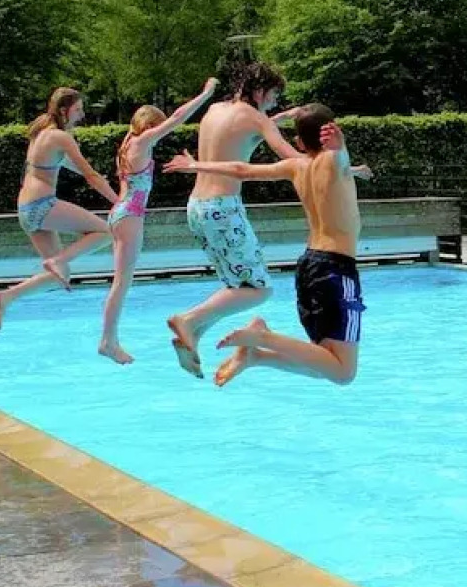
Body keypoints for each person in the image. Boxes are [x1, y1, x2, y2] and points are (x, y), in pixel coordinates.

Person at [168, 105, 366, 388]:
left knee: (323, 362)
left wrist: (194, 165)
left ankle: (257, 355)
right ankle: (261, 338)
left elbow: (240, 170)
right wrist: (341, 146)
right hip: (336, 270)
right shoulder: (335, 162)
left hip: (310, 266)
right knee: (343, 373)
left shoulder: (296, 166)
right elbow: (337, 158)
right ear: (333, 134)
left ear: (298, 143)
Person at [158, 63, 304, 376]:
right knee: (259, 289)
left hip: (197, 207)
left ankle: (193, 336)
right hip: (223, 209)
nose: (274, 104)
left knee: (234, 285)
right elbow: (289, 155)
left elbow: (241, 137)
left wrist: (280, 118)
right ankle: (189, 320)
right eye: (274, 96)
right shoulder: (254, 117)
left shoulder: (215, 111)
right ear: (260, 90)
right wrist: (333, 166)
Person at [98, 77, 220, 364]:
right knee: (121, 282)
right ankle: (107, 341)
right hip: (129, 215)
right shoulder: (141, 142)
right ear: (151, 125)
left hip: (120, 212)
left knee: (121, 281)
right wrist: (205, 94)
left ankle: (109, 339)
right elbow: (178, 117)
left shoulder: (126, 143)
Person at [0, 87, 118, 330]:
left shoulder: (42, 133)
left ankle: (6, 297)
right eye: (78, 109)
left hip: (28, 209)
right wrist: (118, 201)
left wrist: (95, 176)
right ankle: (59, 259)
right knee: (107, 231)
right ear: (64, 110)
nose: (81, 115)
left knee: (60, 277)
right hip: (42, 205)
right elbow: (91, 176)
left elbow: (71, 165)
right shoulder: (61, 136)